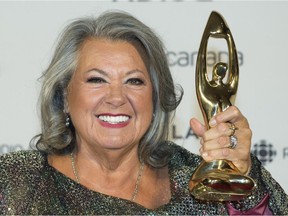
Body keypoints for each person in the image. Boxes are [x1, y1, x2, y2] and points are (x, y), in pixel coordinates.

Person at [0, 10, 287, 215]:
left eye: (134, 81)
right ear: (64, 96)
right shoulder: (15, 183)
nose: (116, 98)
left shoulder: (198, 184)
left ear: (155, 98)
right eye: (97, 80)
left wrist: (243, 174)